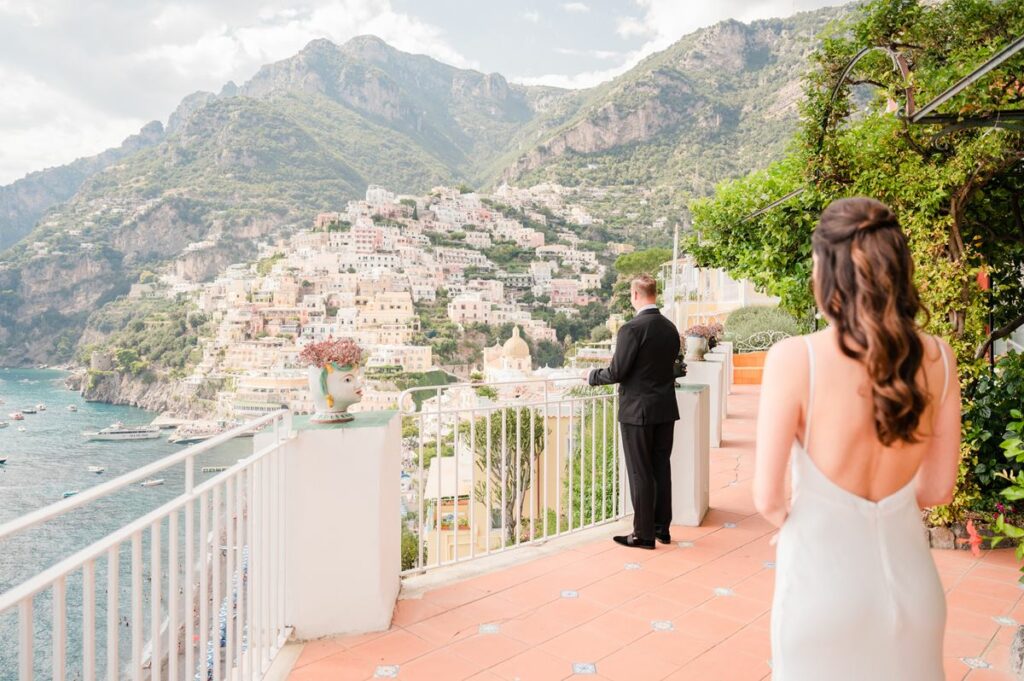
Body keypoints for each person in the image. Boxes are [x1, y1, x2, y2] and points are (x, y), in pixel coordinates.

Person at [754, 197, 960, 680]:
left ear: (825, 270)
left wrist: (806, 522)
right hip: (913, 593)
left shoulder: (795, 359)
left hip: (820, 592)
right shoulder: (940, 358)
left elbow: (767, 498)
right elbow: (936, 491)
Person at [589, 274, 681, 549]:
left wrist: (591, 375)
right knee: (661, 469)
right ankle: (662, 529)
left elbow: (617, 371)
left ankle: (643, 534)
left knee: (640, 472)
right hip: (665, 409)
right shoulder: (670, 328)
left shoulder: (631, 329)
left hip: (637, 412)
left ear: (636, 295)